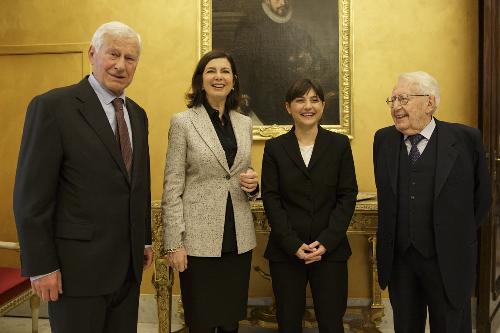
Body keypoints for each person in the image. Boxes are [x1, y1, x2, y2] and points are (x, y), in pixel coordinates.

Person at [12, 21, 152, 333]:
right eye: (113, 54)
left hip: (127, 271)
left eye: (130, 58)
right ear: (92, 54)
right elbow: (31, 198)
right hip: (75, 272)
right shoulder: (53, 107)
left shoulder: (138, 115)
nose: (120, 65)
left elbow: (138, 184)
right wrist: (41, 266)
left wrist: (143, 238)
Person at [373, 71, 491, 332]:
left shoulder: (465, 139)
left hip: (447, 259)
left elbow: (482, 197)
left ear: (430, 102)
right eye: (392, 100)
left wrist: (457, 235)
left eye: (403, 99)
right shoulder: (383, 140)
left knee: (450, 326)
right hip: (400, 260)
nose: (395, 107)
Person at [162, 50, 258, 333]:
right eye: (211, 71)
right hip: (197, 242)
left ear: (234, 80)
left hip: (238, 238)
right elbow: (172, 186)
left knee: (230, 322)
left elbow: (242, 174)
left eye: (225, 71)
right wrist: (174, 244)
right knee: (201, 322)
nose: (219, 77)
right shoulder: (183, 122)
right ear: (200, 80)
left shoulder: (244, 123)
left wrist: (253, 186)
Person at [261, 78, 358, 333]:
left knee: (331, 322)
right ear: (288, 107)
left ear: (323, 106)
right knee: (288, 322)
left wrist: (326, 241)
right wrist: (292, 244)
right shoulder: (274, 148)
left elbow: (347, 195)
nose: (308, 106)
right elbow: (271, 198)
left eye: (314, 100)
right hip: (286, 252)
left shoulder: (339, 145)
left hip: (330, 251)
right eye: (300, 100)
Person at [230, 0, 338, 125]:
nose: (283, 2)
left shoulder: (297, 29)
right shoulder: (250, 27)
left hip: (296, 100)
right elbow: (240, 69)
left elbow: (319, 63)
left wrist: (309, 62)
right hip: (264, 104)